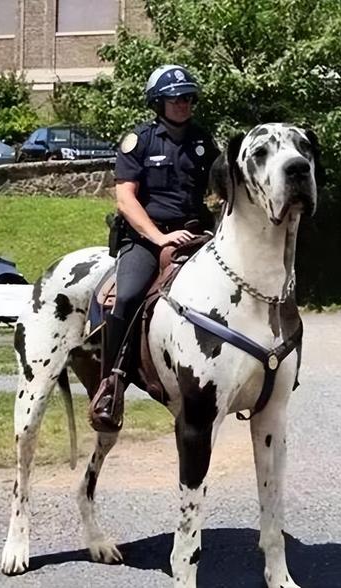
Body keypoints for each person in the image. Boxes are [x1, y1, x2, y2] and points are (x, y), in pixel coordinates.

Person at [89, 64, 220, 432]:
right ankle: (110, 384)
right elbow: (126, 199)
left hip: (196, 236)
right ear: (158, 102)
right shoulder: (139, 141)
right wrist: (160, 238)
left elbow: (223, 187)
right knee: (128, 296)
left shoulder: (202, 141)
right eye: (176, 98)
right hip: (147, 239)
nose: (183, 104)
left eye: (189, 97)